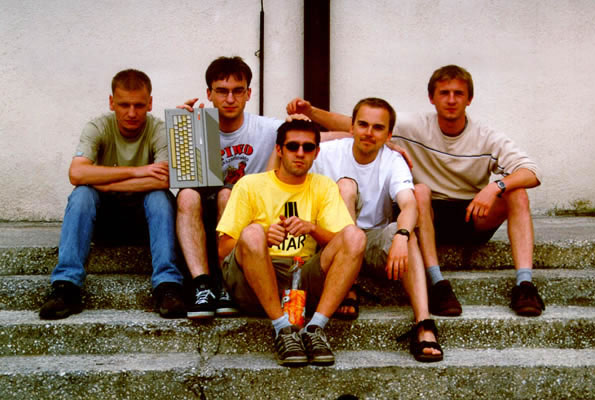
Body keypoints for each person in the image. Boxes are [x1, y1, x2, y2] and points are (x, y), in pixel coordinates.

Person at [286, 64, 544, 317]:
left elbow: (532, 172)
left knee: (517, 193)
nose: (451, 100)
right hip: (427, 215)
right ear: (432, 98)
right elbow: (359, 125)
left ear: (469, 99)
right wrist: (311, 112)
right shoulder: (414, 127)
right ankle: (438, 283)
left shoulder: (486, 137)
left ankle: (524, 285)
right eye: (444, 93)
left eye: (458, 94)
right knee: (419, 191)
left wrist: (496, 186)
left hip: (473, 212)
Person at [216, 119, 365, 366]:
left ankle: (315, 328)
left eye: (308, 147)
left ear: (316, 152)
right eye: (293, 146)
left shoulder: (323, 186)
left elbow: (344, 243)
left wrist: (312, 229)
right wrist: (264, 238)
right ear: (279, 150)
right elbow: (223, 249)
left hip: (301, 279)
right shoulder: (250, 185)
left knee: (355, 235)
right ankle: (283, 329)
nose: (300, 153)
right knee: (253, 233)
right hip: (254, 281)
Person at [39, 69, 186, 320]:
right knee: (82, 195)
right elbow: (77, 173)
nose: (132, 113)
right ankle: (66, 286)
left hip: (144, 223)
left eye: (139, 105)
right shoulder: (98, 127)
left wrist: (105, 182)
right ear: (111, 102)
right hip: (104, 222)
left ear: (150, 103)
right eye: (124, 105)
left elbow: (163, 180)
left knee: (160, 198)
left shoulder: (159, 130)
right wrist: (138, 171)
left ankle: (167, 286)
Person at [309, 97, 442, 362]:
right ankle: (347, 285)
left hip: (373, 241)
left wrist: (402, 236)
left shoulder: (393, 160)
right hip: (335, 242)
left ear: (389, 135)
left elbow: (408, 204)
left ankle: (424, 323)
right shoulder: (328, 152)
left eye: (378, 128)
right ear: (351, 127)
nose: (369, 133)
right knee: (346, 186)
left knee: (406, 232)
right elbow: (291, 146)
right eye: (363, 125)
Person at [176, 56, 284, 319]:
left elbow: (325, 136)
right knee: (187, 194)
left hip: (244, 214)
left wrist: (307, 117)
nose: (230, 99)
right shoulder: (196, 124)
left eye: (238, 91)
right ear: (209, 94)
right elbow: (177, 175)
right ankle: (202, 286)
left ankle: (227, 284)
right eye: (222, 91)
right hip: (203, 215)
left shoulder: (266, 128)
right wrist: (181, 128)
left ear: (248, 94)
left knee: (228, 193)